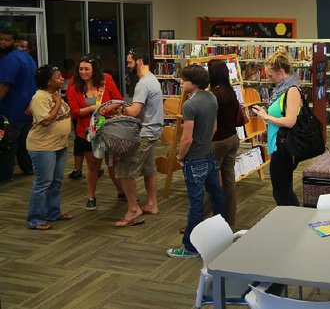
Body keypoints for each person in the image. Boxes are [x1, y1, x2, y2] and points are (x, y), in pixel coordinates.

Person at [167, 65, 226, 258]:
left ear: (193, 82)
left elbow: (187, 139)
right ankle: (222, 236)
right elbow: (215, 127)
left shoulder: (189, 105)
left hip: (195, 159)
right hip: (209, 155)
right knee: (217, 196)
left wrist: (180, 156)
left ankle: (190, 247)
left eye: (183, 80)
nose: (181, 83)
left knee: (195, 203)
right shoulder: (211, 98)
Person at [66, 55, 125, 210]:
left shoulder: (106, 80)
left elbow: (118, 100)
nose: (83, 72)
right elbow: (75, 112)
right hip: (87, 133)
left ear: (94, 70)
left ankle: (121, 192)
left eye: (86, 69)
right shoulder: (74, 86)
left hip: (109, 130)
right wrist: (93, 109)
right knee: (93, 166)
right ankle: (91, 196)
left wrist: (108, 107)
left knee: (113, 164)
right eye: (80, 69)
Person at [115, 48, 164, 227]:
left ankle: (133, 209)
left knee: (125, 170)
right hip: (153, 131)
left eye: (129, 62)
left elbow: (134, 112)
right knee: (149, 169)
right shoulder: (153, 79)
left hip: (144, 133)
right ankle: (152, 204)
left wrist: (120, 107)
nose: (128, 65)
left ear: (139, 61)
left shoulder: (143, 83)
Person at [253, 51, 302, 206]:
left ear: (281, 72)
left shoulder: (292, 91)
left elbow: (290, 121)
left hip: (285, 148)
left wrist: (266, 117)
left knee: (281, 192)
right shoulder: (281, 90)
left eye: (270, 75)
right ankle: (294, 220)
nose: (269, 79)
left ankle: (292, 222)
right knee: (283, 190)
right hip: (278, 146)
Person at [26, 65, 73, 230]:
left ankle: (53, 212)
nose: (62, 79)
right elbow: (46, 121)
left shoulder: (53, 94)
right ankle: (35, 219)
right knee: (43, 183)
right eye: (58, 77)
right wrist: (59, 101)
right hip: (42, 147)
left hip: (59, 145)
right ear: (48, 81)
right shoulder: (40, 97)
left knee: (56, 181)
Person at [205, 59, 244, 226]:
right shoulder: (230, 91)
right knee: (229, 180)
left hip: (217, 141)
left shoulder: (213, 95)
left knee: (209, 181)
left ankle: (199, 220)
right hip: (233, 138)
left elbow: (210, 123)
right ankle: (229, 219)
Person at [0, 29, 37, 183]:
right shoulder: (27, 57)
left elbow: (4, 85)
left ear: (14, 42)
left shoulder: (10, 59)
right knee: (23, 144)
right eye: (0, 39)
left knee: (7, 145)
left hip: (11, 110)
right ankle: (28, 169)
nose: (2, 43)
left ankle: (5, 176)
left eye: (6, 40)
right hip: (27, 109)